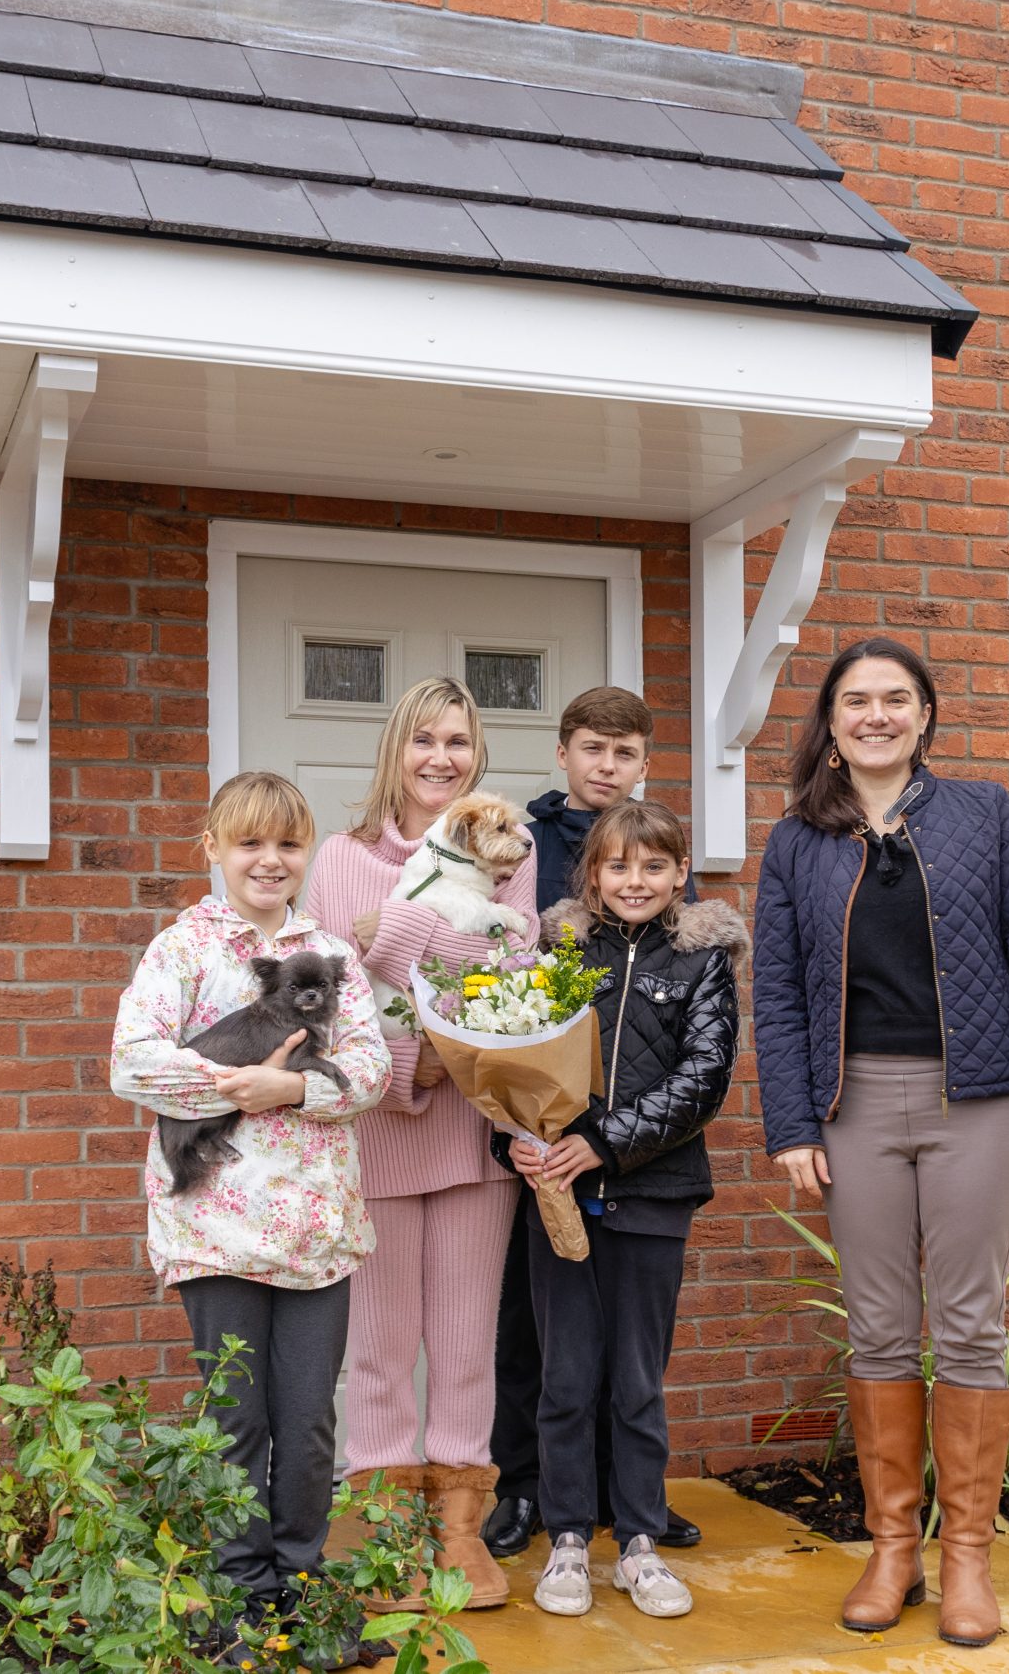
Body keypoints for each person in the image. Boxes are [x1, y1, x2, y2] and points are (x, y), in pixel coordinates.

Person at [751, 637, 1009, 1650]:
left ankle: (968, 1562)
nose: (876, 715)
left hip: (977, 1104)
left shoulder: (983, 815)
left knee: (972, 1324)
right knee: (878, 1329)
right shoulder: (795, 841)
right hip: (853, 1109)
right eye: (856, 700)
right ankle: (891, 1547)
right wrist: (788, 1124)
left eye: (895, 699)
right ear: (830, 720)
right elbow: (774, 992)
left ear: (925, 716)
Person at [110, 771, 391, 1628]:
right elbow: (133, 1064)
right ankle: (240, 1601)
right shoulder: (182, 949)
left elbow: (372, 1069)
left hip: (316, 1231)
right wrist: (249, 1083)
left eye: (288, 843)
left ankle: (299, 1590)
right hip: (218, 1229)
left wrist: (296, 1094)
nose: (270, 860)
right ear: (213, 848)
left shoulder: (330, 952)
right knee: (236, 1423)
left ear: (307, 852)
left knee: (307, 1423)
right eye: (250, 842)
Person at [300, 677, 538, 1607]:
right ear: (395, 749)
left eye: (460, 741)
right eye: (425, 740)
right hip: (382, 1137)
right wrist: (410, 1069)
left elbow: (518, 970)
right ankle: (391, 1537)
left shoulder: (505, 850)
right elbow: (329, 996)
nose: (443, 758)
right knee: (381, 1348)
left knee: (468, 1344)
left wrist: (397, 931)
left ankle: (461, 1535)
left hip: (475, 1138)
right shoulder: (342, 856)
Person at [512, 800, 746, 1620]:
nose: (635, 880)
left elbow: (704, 1075)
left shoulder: (704, 960)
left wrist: (605, 1144)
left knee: (637, 1380)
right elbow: (514, 1055)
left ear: (680, 872)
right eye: (618, 866)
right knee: (567, 1376)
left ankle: (639, 1542)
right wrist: (524, 1139)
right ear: (593, 874)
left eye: (653, 866)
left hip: (653, 1193)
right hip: (561, 1197)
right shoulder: (558, 948)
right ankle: (568, 1537)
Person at [487, 687, 702, 1558]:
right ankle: (527, 1487)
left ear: (644, 763)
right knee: (532, 1329)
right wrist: (516, 1125)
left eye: (623, 753)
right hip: (544, 1138)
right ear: (564, 753)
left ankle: (627, 1497)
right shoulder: (521, 845)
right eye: (590, 750)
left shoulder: (673, 901)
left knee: (624, 1345)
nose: (605, 766)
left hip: (632, 1156)